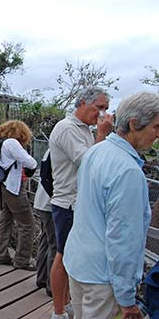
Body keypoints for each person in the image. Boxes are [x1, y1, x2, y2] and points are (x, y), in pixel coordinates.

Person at [63, 91, 159, 319]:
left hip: (78, 264)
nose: (157, 135)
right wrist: (126, 299)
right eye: (155, 127)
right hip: (103, 280)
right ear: (134, 124)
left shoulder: (96, 152)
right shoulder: (128, 171)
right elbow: (123, 239)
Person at [49, 87, 113, 319]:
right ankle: (58, 312)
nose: (102, 113)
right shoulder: (67, 128)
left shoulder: (83, 128)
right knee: (63, 255)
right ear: (83, 103)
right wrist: (102, 135)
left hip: (79, 203)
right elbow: (89, 162)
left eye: (105, 108)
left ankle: (66, 304)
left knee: (71, 256)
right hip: (68, 203)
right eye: (99, 107)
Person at [0, 120, 38, 270]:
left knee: (5, 219)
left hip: (3, 187)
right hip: (13, 189)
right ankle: (22, 259)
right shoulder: (12, 143)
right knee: (28, 224)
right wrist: (34, 164)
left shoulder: (1, 143)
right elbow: (30, 162)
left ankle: (1, 254)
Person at [34, 149, 56, 297]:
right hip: (51, 204)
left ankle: (41, 278)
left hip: (42, 202)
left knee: (46, 241)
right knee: (55, 244)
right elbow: (47, 176)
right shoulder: (59, 150)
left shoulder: (51, 150)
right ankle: (52, 285)